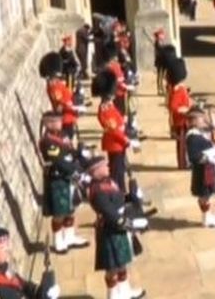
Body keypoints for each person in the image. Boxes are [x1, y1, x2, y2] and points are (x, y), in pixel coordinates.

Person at [86, 156, 148, 299]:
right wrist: (124, 222)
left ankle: (125, 292)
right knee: (112, 268)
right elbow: (108, 211)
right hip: (110, 229)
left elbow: (119, 198)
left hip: (118, 229)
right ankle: (113, 295)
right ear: (96, 171)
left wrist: (131, 196)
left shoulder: (108, 182)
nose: (107, 167)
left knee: (122, 263)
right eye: (104, 166)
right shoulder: (97, 190)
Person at [39, 111, 89, 254]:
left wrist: (80, 155)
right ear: (48, 124)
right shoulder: (47, 141)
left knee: (71, 207)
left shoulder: (62, 135)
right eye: (56, 121)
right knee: (59, 211)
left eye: (60, 120)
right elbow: (59, 161)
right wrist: (75, 171)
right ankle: (58, 241)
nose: (60, 123)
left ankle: (69, 236)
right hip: (57, 177)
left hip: (68, 177)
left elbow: (70, 151)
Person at [93, 70, 136, 194]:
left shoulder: (109, 105)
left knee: (120, 169)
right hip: (115, 143)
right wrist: (126, 140)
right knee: (116, 171)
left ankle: (121, 191)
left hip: (118, 142)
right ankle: (117, 193)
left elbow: (118, 122)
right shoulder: (104, 109)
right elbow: (113, 130)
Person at [185, 108, 215, 228]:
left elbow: (213, 130)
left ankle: (207, 216)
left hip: (207, 170)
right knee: (204, 195)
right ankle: (206, 218)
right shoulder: (192, 137)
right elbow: (193, 157)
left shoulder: (198, 133)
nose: (203, 120)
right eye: (200, 118)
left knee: (206, 195)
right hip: (202, 172)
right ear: (194, 121)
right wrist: (209, 157)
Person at [0, 226, 60, 298]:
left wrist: (43, 290)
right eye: (4, 248)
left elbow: (24, 285)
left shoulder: (5, 267)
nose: (9, 250)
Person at [166, 58, 191, 169]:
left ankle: (184, 162)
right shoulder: (177, 91)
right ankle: (182, 164)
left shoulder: (178, 88)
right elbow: (172, 106)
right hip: (181, 121)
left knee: (183, 143)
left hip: (182, 120)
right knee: (182, 145)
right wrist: (185, 110)